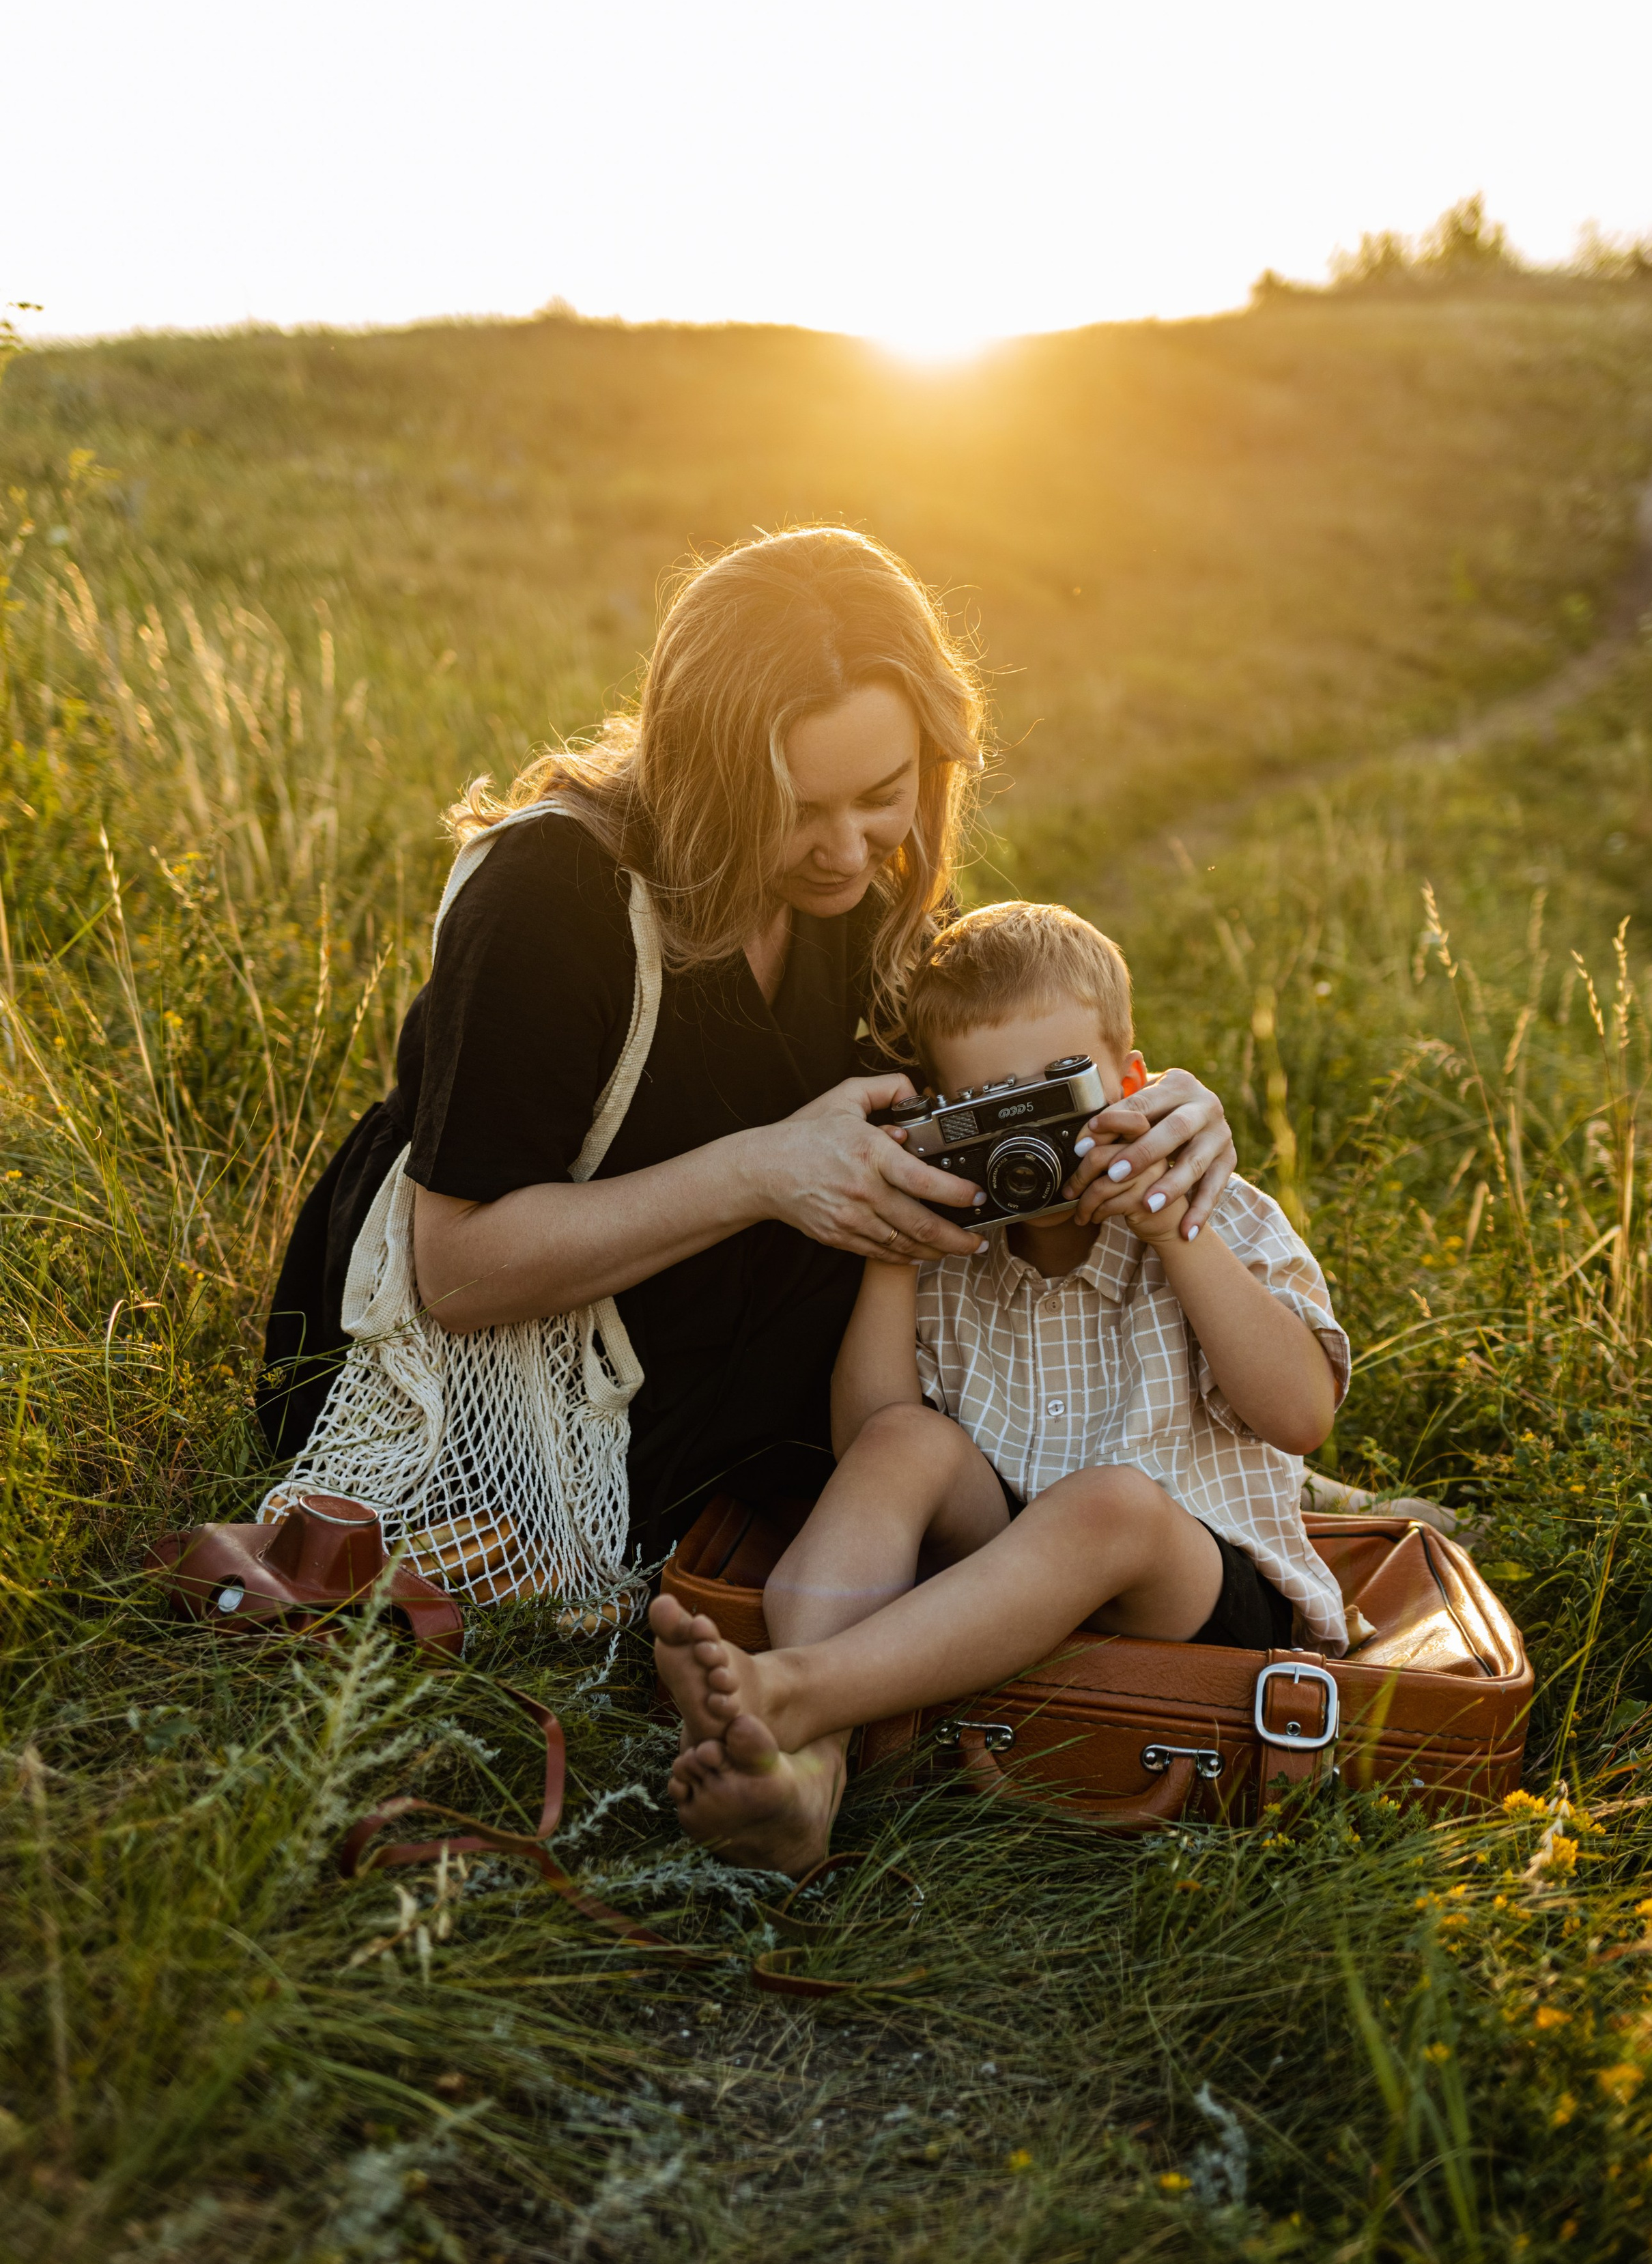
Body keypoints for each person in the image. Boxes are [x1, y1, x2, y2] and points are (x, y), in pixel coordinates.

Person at [258, 530, 1241, 1579]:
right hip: (523, 1367)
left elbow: (993, 1095)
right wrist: (758, 1172)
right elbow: (455, 1273)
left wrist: (1159, 1120)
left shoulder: (875, 889)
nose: (847, 850)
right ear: (701, 775)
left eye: (882, 793)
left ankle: (1220, 1474)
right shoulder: (549, 897)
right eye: (793, 810)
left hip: (757, 1336)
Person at [653, 898, 1350, 1871]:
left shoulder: (1210, 1206)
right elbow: (869, 1447)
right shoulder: (949, 1253)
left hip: (1192, 1588)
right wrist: (896, 1242)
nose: (1034, 1146)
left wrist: (1171, 1231)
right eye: (992, 1112)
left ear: (1134, 1080)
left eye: (1058, 1095)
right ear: (941, 1115)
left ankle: (796, 1692)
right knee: (908, 1440)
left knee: (1108, 1504)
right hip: (999, 1560)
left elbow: (1300, 1416)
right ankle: (804, 1773)